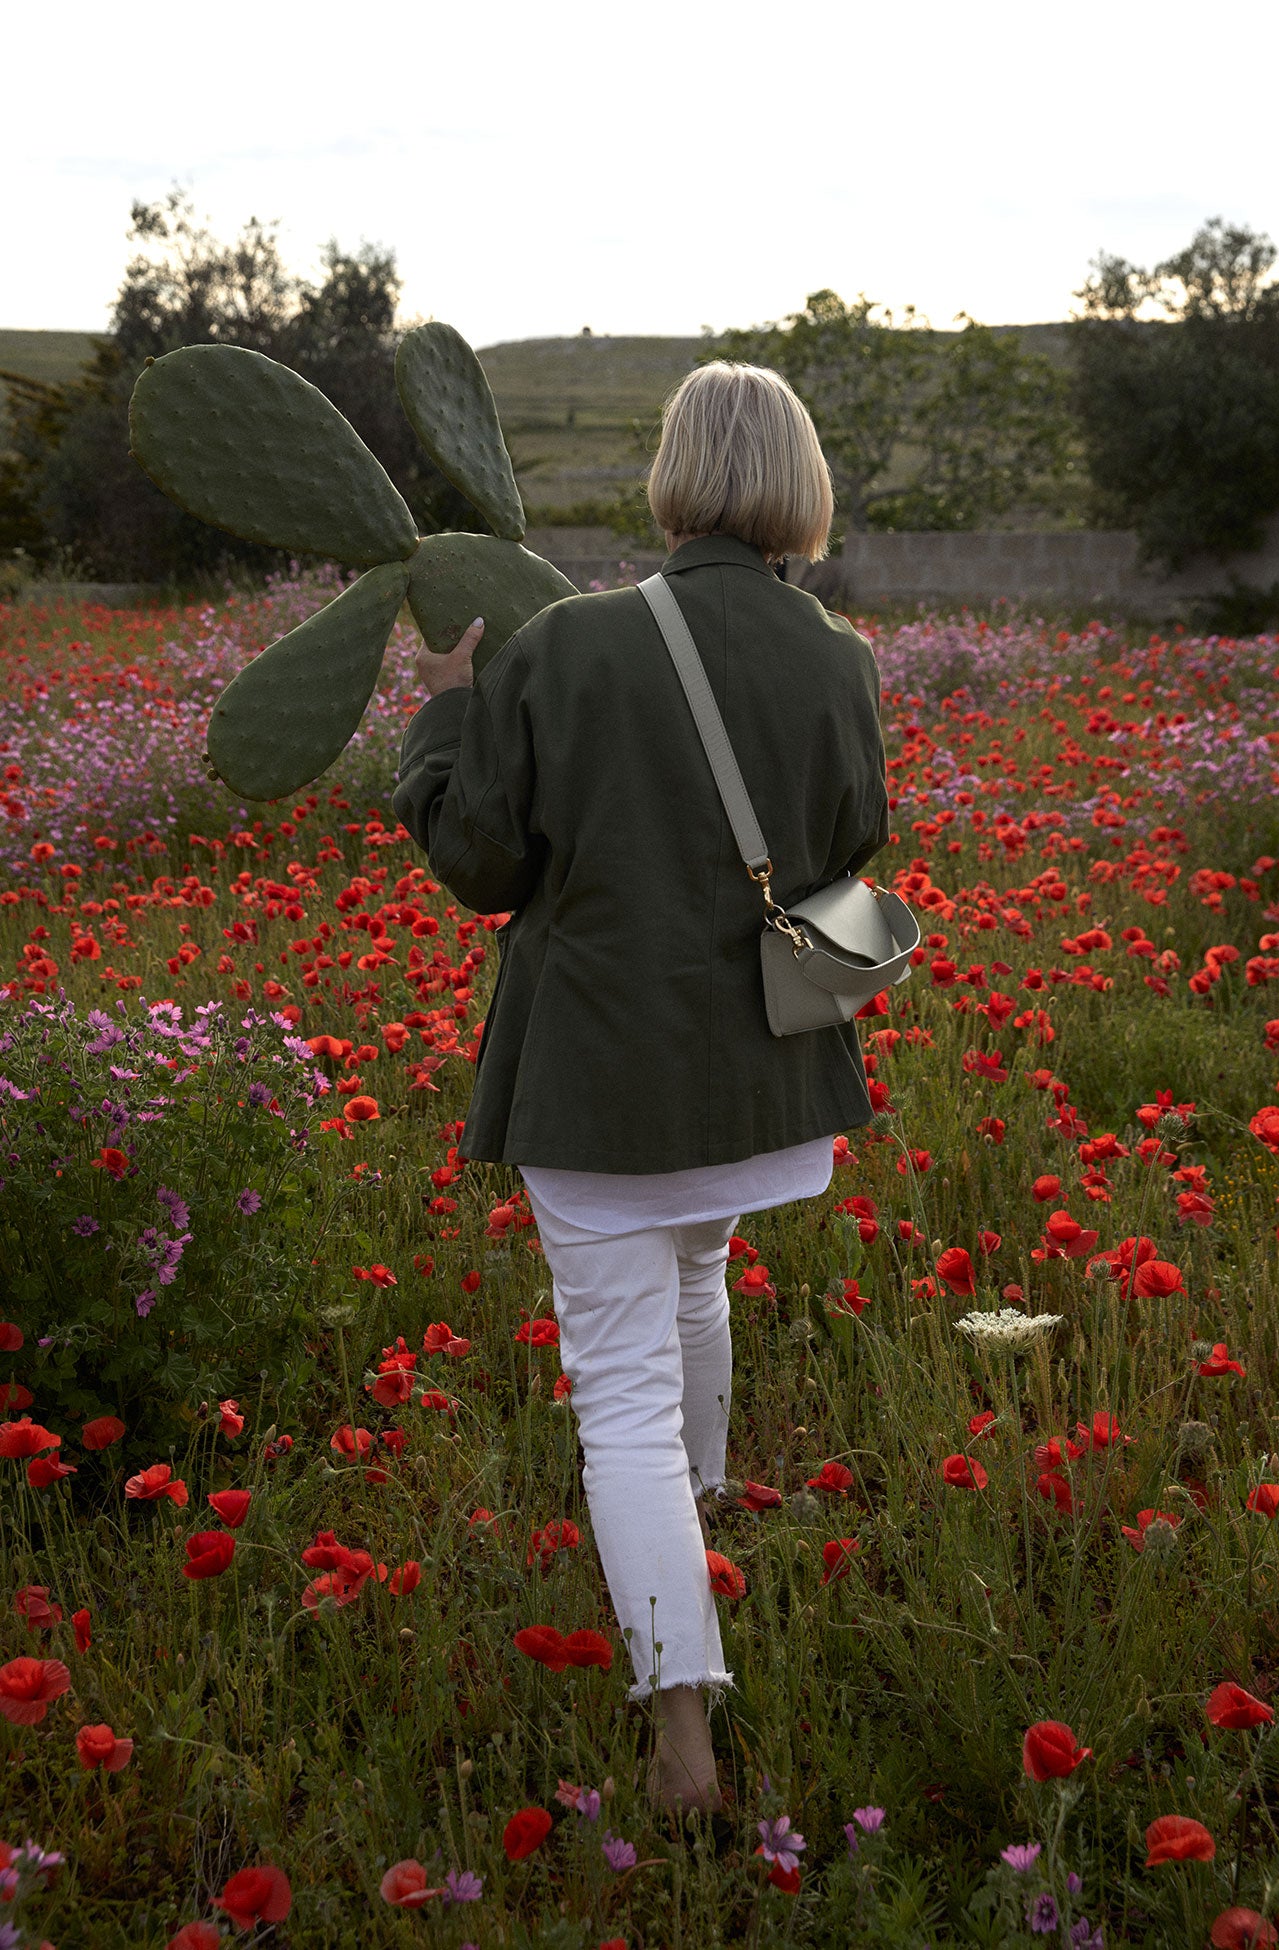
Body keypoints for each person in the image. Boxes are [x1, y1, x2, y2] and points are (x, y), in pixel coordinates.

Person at [391, 362, 890, 1817]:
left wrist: (436, 717)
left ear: (674, 476)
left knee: (618, 1401)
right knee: (700, 1275)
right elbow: (849, 843)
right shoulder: (840, 657)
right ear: (797, 485)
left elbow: (483, 865)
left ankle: (681, 1732)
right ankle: (709, 1499)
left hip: (604, 1095)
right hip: (762, 1097)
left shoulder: (563, 644)